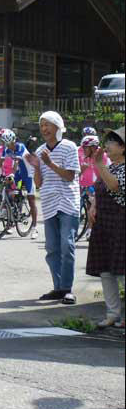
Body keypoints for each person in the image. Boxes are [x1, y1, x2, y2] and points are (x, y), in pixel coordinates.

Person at [27, 111, 81, 305]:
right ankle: (58, 288)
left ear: (58, 126)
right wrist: (38, 166)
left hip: (67, 201)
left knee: (67, 245)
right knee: (51, 249)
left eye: (47, 124)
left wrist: (49, 163)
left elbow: (69, 176)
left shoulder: (69, 147)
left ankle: (67, 288)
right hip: (49, 203)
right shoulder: (41, 150)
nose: (44, 129)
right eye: (41, 125)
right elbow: (39, 183)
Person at [85, 127, 125, 329]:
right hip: (103, 225)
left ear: (123, 147)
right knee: (106, 271)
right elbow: (99, 189)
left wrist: (99, 164)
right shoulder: (112, 166)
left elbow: (115, 186)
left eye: (111, 142)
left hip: (120, 224)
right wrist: (93, 205)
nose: (106, 145)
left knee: (122, 271)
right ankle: (112, 313)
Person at [0, 130, 39, 239]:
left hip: (29, 173)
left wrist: (11, 173)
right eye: (6, 143)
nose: (9, 146)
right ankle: (9, 209)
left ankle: (34, 227)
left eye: (11, 143)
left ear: (14, 140)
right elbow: (1, 161)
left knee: (31, 199)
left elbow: (17, 161)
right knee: (7, 187)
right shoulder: (7, 149)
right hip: (19, 172)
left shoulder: (20, 146)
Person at [79, 135, 110, 240]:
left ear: (93, 148)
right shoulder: (89, 158)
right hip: (97, 185)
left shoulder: (102, 157)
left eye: (85, 147)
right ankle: (91, 230)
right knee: (91, 209)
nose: (83, 150)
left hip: (108, 186)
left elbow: (104, 176)